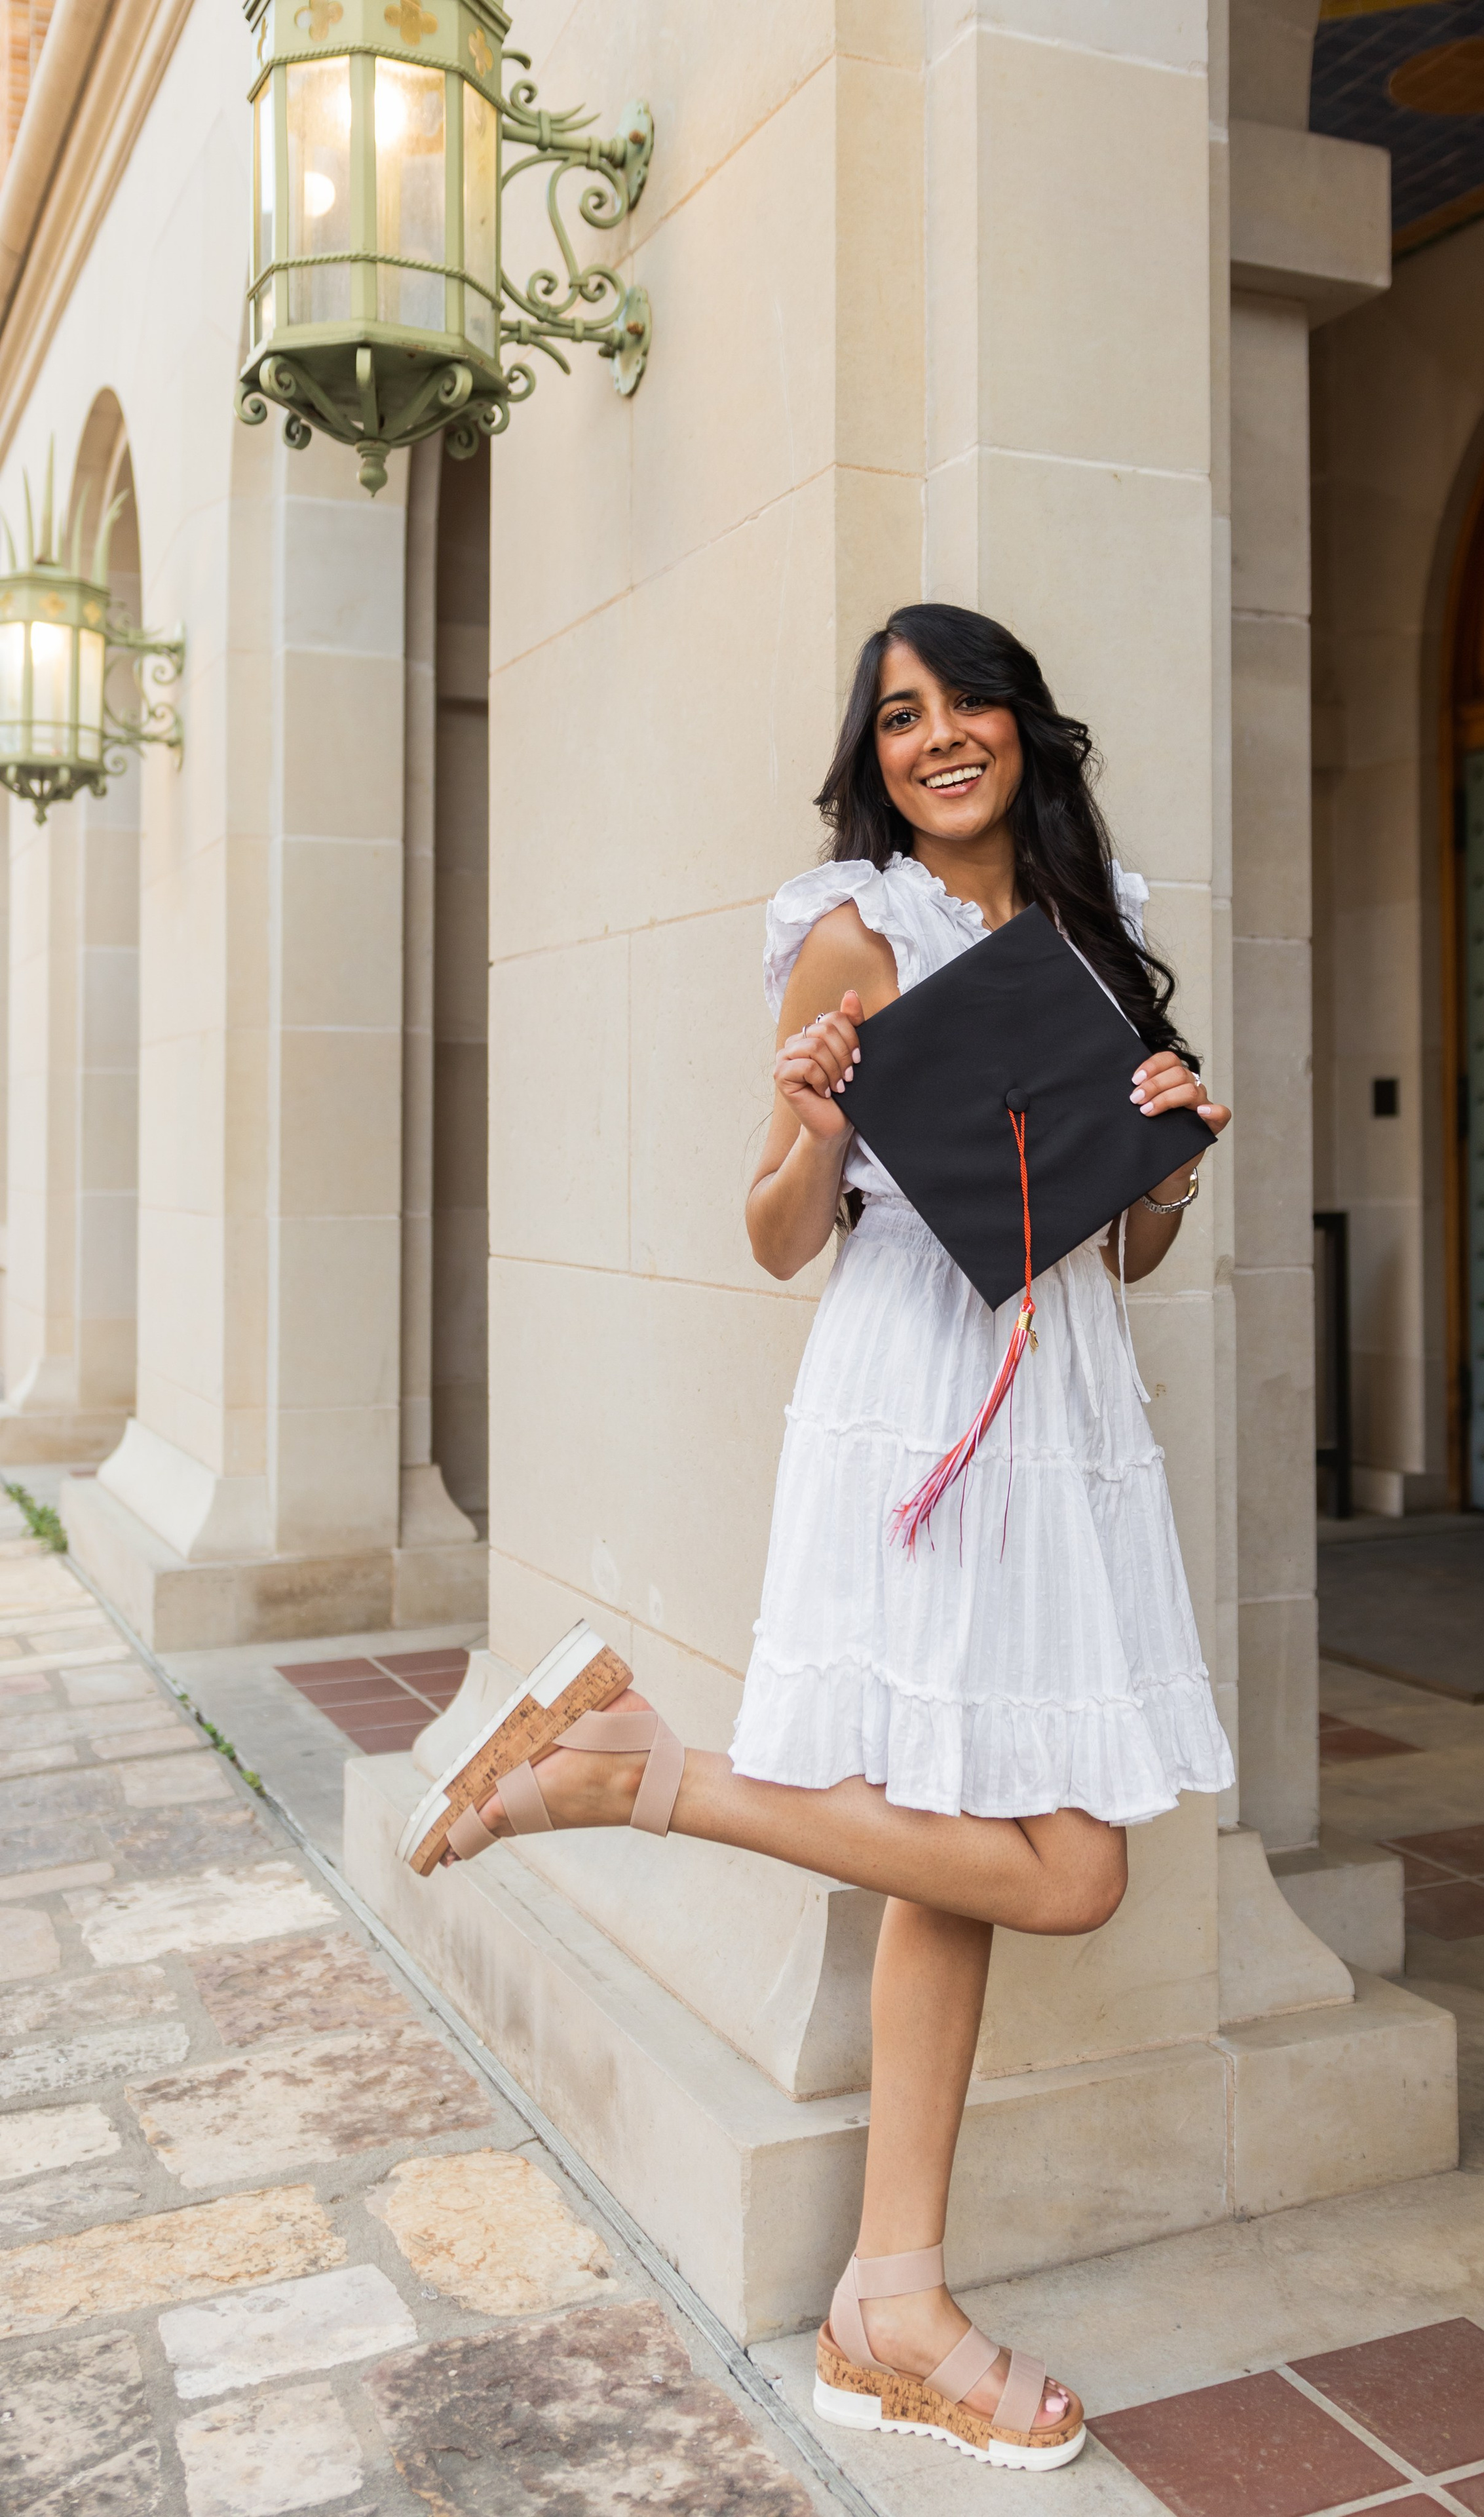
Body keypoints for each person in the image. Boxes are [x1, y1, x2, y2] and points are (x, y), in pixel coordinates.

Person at [431, 602, 1233, 2474]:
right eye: (898, 715)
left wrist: (1172, 1165)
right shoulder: (850, 925)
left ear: (1026, 723)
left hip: (1061, 1392)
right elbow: (782, 1235)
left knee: (963, 1856)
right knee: (1060, 1865)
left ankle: (893, 2296)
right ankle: (651, 1780)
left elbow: (1126, 1239)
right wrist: (803, 1122)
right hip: (915, 1393)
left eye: (964, 703)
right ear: (869, 752)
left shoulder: (1086, 919)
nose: (937, 736)